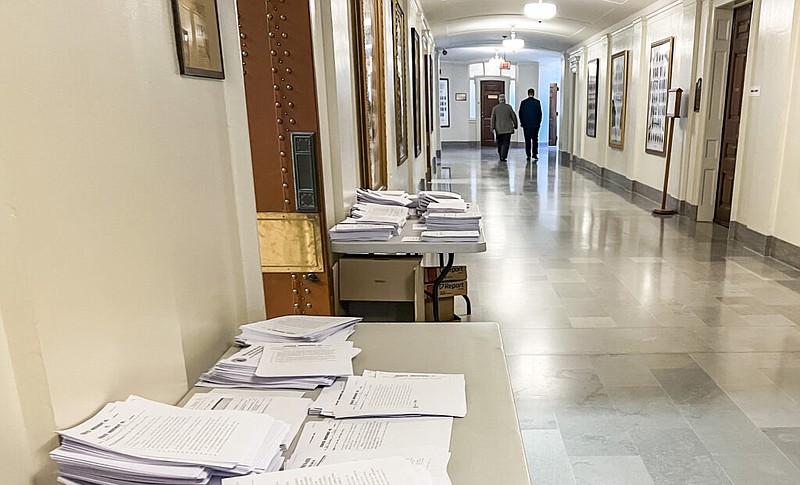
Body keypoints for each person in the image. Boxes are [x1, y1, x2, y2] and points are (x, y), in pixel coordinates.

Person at [490, 94, 518, 162]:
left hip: (498, 129)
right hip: (507, 129)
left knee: (500, 143)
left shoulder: (495, 108)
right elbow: (514, 116)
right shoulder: (509, 107)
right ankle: (504, 156)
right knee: (506, 143)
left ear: (499, 100)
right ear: (505, 100)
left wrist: (492, 128)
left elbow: (492, 119)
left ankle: (500, 155)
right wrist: (515, 125)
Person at [518, 88, 543, 161]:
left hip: (526, 125)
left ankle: (528, 155)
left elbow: (520, 113)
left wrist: (522, 122)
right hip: (535, 125)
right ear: (534, 93)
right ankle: (535, 154)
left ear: (528, 93)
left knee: (527, 140)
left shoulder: (523, 102)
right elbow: (540, 114)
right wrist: (538, 123)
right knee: (535, 140)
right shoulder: (537, 102)